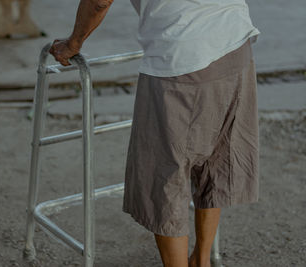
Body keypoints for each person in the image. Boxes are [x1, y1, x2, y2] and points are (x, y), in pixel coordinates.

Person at [49, 0, 260, 266]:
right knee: (212, 160)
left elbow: (99, 1)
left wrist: (73, 43)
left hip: (182, 60)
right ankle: (202, 260)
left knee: (164, 177)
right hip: (236, 44)